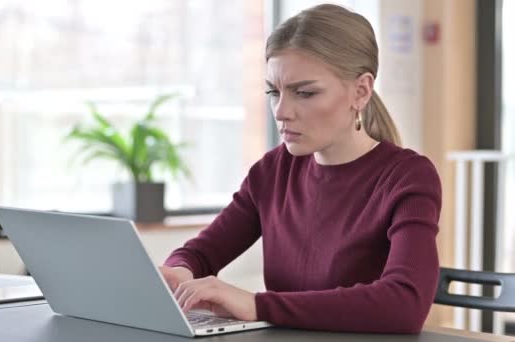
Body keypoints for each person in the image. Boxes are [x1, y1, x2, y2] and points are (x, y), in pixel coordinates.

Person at [159, 3, 441, 334]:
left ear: (361, 91)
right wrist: (179, 270)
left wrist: (257, 305)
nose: (280, 111)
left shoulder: (408, 177)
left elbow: (404, 305)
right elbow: (200, 253)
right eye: (273, 92)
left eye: (304, 93)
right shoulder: (273, 171)